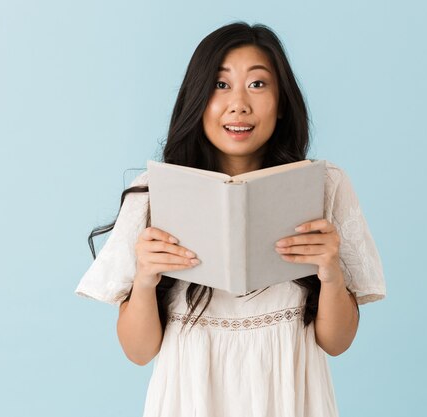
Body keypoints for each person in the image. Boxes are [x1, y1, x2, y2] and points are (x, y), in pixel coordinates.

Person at [75, 21, 386, 417]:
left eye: (258, 84)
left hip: (289, 400)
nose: (238, 103)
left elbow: (337, 342)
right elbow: (138, 352)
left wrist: (330, 272)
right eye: (221, 85)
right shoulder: (155, 192)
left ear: (282, 100)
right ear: (197, 98)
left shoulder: (324, 187)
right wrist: (145, 277)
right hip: (189, 403)